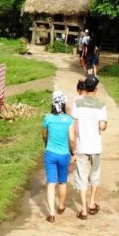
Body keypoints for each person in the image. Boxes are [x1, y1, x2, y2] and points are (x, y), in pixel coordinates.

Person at [72, 75, 108, 219]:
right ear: (96, 89)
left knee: (82, 176)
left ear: (85, 88)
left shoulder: (78, 103)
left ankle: (83, 209)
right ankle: (92, 203)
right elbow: (102, 126)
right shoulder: (101, 104)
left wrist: (73, 143)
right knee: (94, 174)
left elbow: (73, 124)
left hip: (82, 146)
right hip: (96, 146)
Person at [42, 90, 76, 223]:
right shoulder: (68, 120)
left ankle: (51, 214)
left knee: (51, 183)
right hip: (64, 155)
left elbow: (44, 134)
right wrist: (73, 151)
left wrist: (46, 144)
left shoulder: (48, 118)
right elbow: (72, 139)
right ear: (63, 104)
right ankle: (61, 206)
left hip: (50, 153)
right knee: (62, 181)